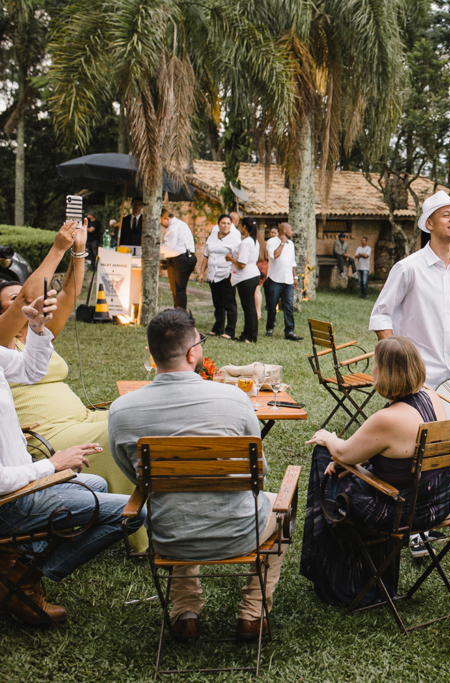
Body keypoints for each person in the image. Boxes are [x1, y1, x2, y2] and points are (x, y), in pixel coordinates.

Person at [109, 309, 287, 640]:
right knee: (281, 506)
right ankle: (252, 614)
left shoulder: (121, 410)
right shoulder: (235, 400)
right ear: (193, 353)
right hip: (240, 533)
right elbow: (258, 472)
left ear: (153, 354)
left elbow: (133, 475)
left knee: (176, 502)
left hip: (168, 537)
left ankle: (185, 613)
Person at [0, 289, 144, 625]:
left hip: (26, 481)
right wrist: (52, 464)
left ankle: (16, 561)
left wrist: (36, 329)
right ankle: (25, 578)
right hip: (12, 502)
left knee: (95, 482)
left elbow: (31, 370)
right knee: (134, 513)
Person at [0, 224, 146, 553]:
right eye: (12, 302)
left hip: (80, 419)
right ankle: (139, 531)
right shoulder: (3, 339)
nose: (32, 300)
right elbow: (26, 296)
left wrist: (78, 252)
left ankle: (169, 504)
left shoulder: (34, 335)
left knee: (136, 418)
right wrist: (57, 248)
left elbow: (68, 295)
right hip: (49, 437)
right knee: (120, 436)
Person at [300, 336, 450, 605]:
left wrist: (329, 437)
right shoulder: (432, 396)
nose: (372, 370)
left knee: (323, 456)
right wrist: (356, 464)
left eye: (375, 365)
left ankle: (339, 577)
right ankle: (360, 572)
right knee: (341, 464)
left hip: (401, 511)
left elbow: (344, 452)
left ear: (385, 372)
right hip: (438, 502)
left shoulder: (388, 419)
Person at [369, 190, 450, 388]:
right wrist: (401, 361)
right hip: (416, 377)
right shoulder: (408, 268)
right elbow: (380, 316)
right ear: (430, 224)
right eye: (446, 215)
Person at [196, 215, 240, 339]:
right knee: (217, 302)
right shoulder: (212, 237)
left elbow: (238, 257)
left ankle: (230, 330)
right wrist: (201, 273)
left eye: (228, 223)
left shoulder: (234, 239)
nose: (225, 226)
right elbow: (206, 256)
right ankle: (218, 327)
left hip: (226, 274)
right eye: (223, 223)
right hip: (213, 274)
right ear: (218, 224)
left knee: (229, 303)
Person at [264, 222, 302, 341]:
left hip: (288, 280)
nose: (292, 232)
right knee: (272, 305)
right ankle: (270, 327)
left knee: (288, 306)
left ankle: (289, 331)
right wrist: (282, 243)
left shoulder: (291, 244)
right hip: (275, 279)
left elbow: (292, 262)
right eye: (290, 230)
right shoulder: (272, 242)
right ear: (284, 231)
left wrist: (295, 277)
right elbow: (275, 255)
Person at [227, 218, 261, 344]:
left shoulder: (246, 243)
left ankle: (251, 336)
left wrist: (230, 259)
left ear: (245, 227)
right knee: (249, 307)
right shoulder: (254, 241)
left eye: (242, 226)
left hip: (246, 277)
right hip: (252, 275)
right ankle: (246, 333)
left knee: (249, 307)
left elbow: (242, 264)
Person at [160, 209, 197, 310]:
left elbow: (168, 247)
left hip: (179, 260)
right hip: (189, 257)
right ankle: (180, 311)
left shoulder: (172, 228)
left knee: (177, 290)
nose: (161, 224)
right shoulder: (182, 224)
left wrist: (157, 246)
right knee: (180, 289)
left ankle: (180, 313)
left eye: (161, 221)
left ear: (166, 218)